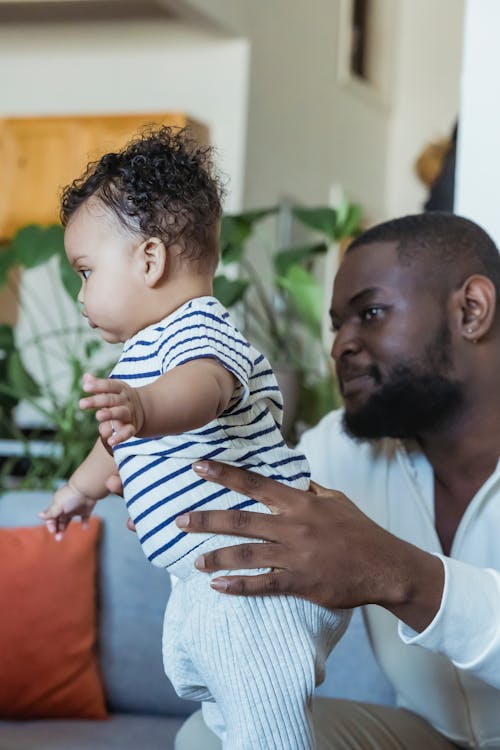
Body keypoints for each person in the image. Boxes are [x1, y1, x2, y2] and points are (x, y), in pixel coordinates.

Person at [39, 127, 349, 750]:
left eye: (86, 272)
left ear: (149, 261)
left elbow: (203, 387)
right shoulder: (143, 357)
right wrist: (80, 488)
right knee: (230, 720)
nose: (80, 295)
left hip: (257, 577)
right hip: (206, 580)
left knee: (268, 730)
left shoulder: (197, 330)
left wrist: (144, 407)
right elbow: (117, 442)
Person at [172, 212, 500, 750]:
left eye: (370, 313)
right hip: (433, 737)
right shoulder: (337, 450)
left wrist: (399, 573)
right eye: (336, 326)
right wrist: (169, 488)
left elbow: (388, 569)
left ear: (472, 310)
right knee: (206, 737)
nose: (341, 346)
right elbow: (240, 511)